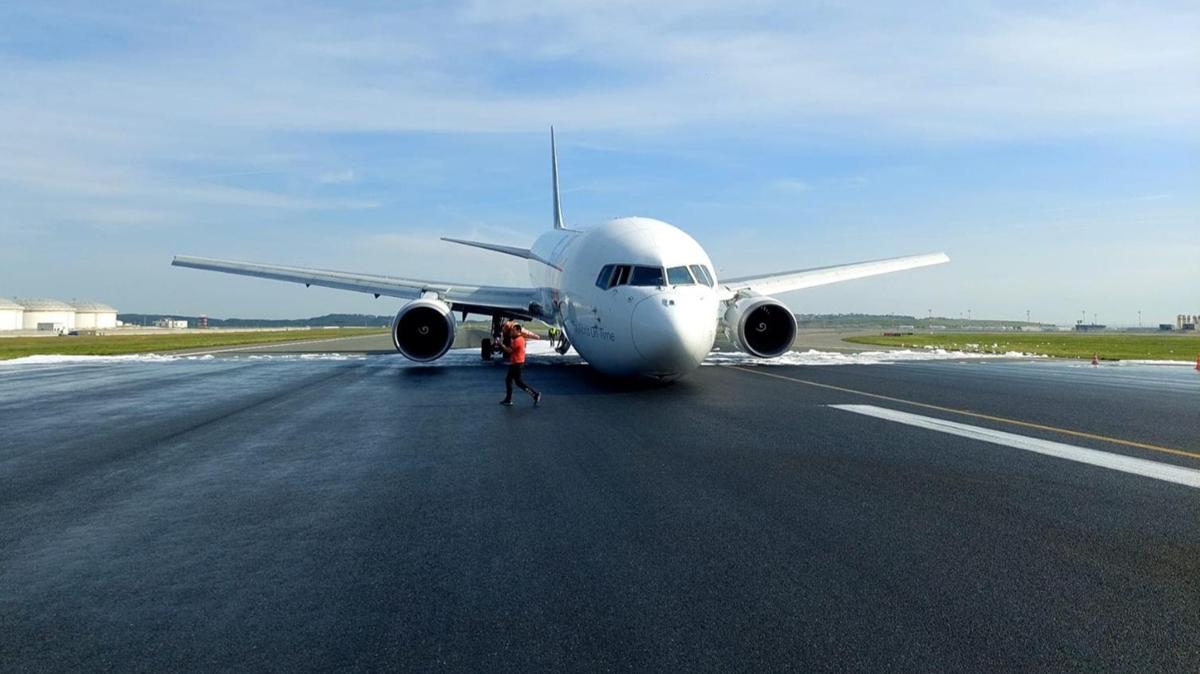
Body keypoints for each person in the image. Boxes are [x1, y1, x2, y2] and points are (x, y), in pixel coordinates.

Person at [499, 322, 542, 406]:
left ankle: (535, 394)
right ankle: (509, 399)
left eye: (513, 331)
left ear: (518, 330)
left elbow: (509, 351)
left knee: (517, 382)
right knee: (511, 381)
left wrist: (501, 344)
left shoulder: (517, 340)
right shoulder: (521, 339)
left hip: (516, 364)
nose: (511, 332)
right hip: (517, 362)